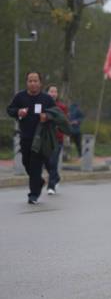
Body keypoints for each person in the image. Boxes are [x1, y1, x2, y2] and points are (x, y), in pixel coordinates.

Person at [6, 72, 56, 204]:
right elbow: (10, 109)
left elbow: (56, 114)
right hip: (26, 137)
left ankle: (33, 194)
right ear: (27, 82)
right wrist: (18, 112)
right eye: (30, 81)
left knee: (35, 166)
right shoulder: (20, 97)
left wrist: (47, 117)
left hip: (40, 139)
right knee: (26, 163)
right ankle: (38, 182)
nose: (33, 83)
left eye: (35, 81)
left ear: (40, 83)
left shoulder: (47, 99)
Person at [43, 85, 69, 194]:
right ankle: (56, 177)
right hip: (44, 138)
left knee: (53, 161)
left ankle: (51, 186)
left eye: (55, 91)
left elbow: (65, 121)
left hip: (57, 138)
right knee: (46, 162)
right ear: (47, 93)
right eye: (51, 91)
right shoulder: (42, 105)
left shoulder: (62, 107)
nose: (53, 93)